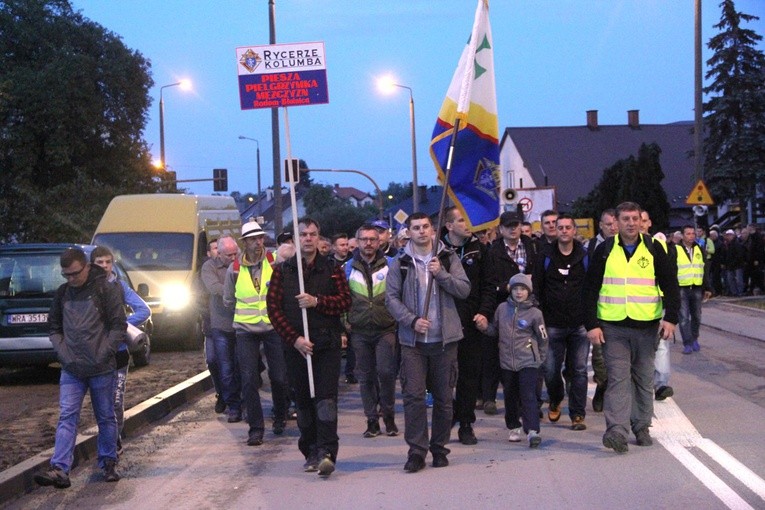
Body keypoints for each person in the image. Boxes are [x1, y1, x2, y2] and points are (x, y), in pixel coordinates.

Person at [583, 202, 679, 453]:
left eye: (635, 218)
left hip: (647, 327)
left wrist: (671, 318)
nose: (630, 223)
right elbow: (589, 289)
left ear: (641, 221)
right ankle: (617, 431)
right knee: (618, 379)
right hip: (613, 327)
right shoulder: (604, 250)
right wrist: (591, 324)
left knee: (644, 379)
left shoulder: (655, 249)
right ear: (616, 222)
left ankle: (641, 426)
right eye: (625, 219)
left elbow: (670, 284)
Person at [385, 212, 470, 472]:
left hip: (444, 341)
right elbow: (391, 299)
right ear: (408, 232)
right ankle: (417, 452)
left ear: (432, 230)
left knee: (444, 398)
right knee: (413, 398)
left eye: (425, 227)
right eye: (415, 228)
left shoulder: (447, 257)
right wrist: (411, 320)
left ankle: (439, 448)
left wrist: (441, 274)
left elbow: (464, 290)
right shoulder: (400, 262)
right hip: (413, 342)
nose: (421, 231)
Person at [266, 217, 351, 477]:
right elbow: (274, 310)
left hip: (326, 344)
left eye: (313, 234)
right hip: (296, 347)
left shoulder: (332, 268)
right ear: (296, 238)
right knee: (303, 401)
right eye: (303, 234)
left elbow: (345, 301)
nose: (308, 238)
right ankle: (310, 450)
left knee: (326, 400)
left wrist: (317, 301)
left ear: (319, 237)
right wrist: (295, 339)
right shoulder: (283, 271)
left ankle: (327, 451)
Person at [35, 248, 126, 488]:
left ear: (86, 267)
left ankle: (108, 462)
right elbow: (54, 328)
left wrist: (104, 353)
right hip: (72, 368)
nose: (71, 279)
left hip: (101, 367)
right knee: (67, 416)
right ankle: (60, 469)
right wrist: (65, 355)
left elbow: (119, 326)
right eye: (66, 275)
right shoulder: (63, 293)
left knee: (106, 416)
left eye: (74, 273)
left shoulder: (106, 289)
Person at [224, 222, 290, 445]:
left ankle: (280, 416)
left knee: (280, 377)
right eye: (253, 239)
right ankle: (256, 428)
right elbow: (228, 299)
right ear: (245, 242)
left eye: (260, 238)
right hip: (245, 330)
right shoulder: (234, 268)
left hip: (273, 327)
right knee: (249, 380)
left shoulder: (274, 261)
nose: (258, 242)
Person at [440, 206, 495, 445]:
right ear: (449, 225)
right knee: (438, 377)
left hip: (471, 322)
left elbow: (489, 285)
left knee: (469, 375)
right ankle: (446, 412)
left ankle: (465, 422)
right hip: (441, 323)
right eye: (461, 220)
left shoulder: (481, 250)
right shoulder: (436, 251)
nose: (467, 224)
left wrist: (484, 312)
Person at [90, 246, 151, 455]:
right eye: (100, 263)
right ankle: (108, 442)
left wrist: (123, 324)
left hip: (119, 351)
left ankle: (114, 444)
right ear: (92, 264)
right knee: (101, 403)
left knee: (116, 400)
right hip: (96, 353)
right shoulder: (86, 289)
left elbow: (144, 310)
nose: (105, 266)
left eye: (108, 262)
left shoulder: (120, 286)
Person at [476, 273, 547, 448]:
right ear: (510, 290)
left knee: (528, 395)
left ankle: (532, 431)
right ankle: (514, 426)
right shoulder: (501, 309)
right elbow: (495, 331)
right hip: (507, 361)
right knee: (510, 395)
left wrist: (540, 359)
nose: (519, 292)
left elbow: (543, 337)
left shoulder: (535, 313)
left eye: (523, 289)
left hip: (528, 361)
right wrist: (485, 328)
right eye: (515, 289)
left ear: (528, 291)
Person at [532, 213, 590, 430]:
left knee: (580, 370)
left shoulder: (585, 255)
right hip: (552, 324)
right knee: (550, 369)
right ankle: (555, 399)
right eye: (560, 227)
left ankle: (578, 414)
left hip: (579, 323)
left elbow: (591, 288)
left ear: (574, 231)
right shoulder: (545, 256)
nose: (564, 231)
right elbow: (536, 286)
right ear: (555, 231)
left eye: (568, 227)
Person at [345, 224, 399, 438]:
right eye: (364, 239)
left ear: (380, 242)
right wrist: (346, 323)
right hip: (359, 330)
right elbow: (344, 298)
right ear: (357, 242)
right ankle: (371, 421)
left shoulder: (391, 265)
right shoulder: (348, 267)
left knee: (386, 373)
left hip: (386, 328)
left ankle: (389, 417)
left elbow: (399, 294)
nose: (368, 243)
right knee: (366, 376)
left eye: (372, 239)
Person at [482, 210, 537, 415]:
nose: (514, 229)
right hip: (501, 306)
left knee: (526, 354)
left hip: (528, 308)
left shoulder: (531, 246)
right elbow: (489, 281)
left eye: (517, 225)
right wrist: (509, 287)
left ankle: (528, 401)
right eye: (509, 226)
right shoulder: (493, 251)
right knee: (494, 353)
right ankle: (489, 397)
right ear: (501, 229)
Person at [201, 236, 241, 424]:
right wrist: (236, 289)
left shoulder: (242, 263)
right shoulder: (210, 267)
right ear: (220, 253)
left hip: (242, 323)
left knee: (242, 367)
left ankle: (244, 402)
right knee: (224, 367)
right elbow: (213, 288)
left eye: (235, 254)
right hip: (221, 323)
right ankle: (233, 404)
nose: (233, 258)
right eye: (228, 255)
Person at [586, 208, 618, 412]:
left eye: (616, 224)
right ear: (601, 225)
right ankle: (602, 385)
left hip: (623, 310)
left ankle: (615, 398)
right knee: (599, 356)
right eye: (609, 224)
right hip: (599, 310)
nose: (613, 228)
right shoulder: (591, 247)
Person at [676, 225, 712, 356]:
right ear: (682, 235)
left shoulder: (699, 250)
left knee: (696, 316)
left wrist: (707, 287)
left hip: (696, 287)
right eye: (688, 234)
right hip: (682, 288)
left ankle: (694, 338)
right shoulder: (676, 250)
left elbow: (705, 269)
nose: (691, 236)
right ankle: (687, 343)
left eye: (693, 234)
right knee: (684, 317)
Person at [328, 232, 356, 384]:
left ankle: (350, 372)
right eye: (341, 245)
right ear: (334, 247)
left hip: (351, 307)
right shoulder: (329, 264)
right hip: (335, 308)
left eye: (347, 244)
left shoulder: (354, 262)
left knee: (352, 343)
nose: (345, 248)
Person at [720, 229, 745, 297]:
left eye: (730, 235)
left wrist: (733, 262)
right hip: (730, 265)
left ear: (733, 235)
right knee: (730, 279)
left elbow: (739, 255)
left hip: (737, 265)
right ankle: (734, 292)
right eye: (727, 235)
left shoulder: (737, 243)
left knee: (739, 280)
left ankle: (739, 292)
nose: (728, 237)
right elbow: (725, 255)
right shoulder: (727, 244)